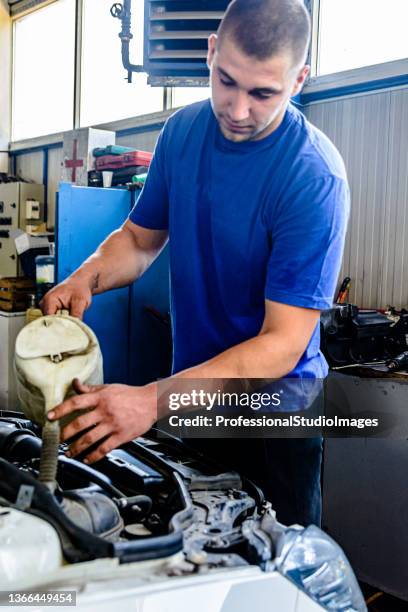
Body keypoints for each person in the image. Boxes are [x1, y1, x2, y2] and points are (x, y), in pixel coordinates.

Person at [43, 0, 349, 527]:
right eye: (226, 81)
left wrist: (150, 401)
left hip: (274, 421)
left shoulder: (313, 177)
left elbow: (281, 344)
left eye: (263, 93)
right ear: (211, 52)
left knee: (272, 582)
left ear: (298, 81)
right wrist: (84, 278)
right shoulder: (182, 134)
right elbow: (139, 240)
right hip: (195, 401)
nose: (236, 109)